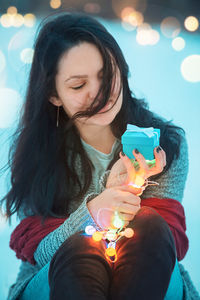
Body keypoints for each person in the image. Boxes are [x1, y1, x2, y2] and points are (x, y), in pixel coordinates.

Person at [1, 11, 199, 300]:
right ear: (53, 95)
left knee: (151, 226)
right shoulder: (38, 151)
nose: (100, 93)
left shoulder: (164, 142)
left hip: (149, 277)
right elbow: (40, 251)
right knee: (81, 251)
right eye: (79, 85)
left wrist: (132, 186)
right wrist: (94, 214)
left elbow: (165, 246)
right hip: (53, 280)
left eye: (107, 75)